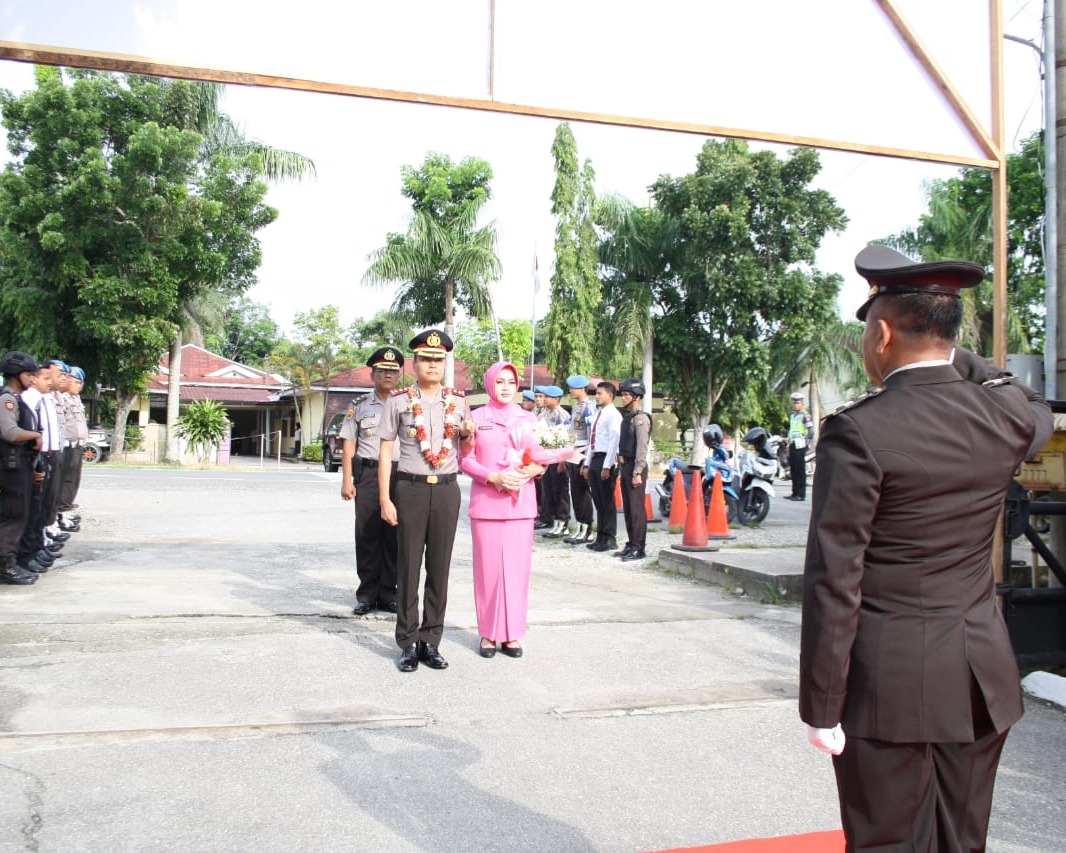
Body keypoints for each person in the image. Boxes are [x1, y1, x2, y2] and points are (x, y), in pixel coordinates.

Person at [799, 244, 1053, 852]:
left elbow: (836, 579)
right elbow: (1030, 402)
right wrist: (947, 349)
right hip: (979, 681)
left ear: (881, 333)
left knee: (888, 842)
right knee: (963, 842)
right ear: (946, 332)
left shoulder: (858, 430)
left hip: (890, 689)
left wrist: (822, 705)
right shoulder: (1006, 417)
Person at [378, 330, 471, 673]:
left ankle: (431, 640)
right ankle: (406, 641)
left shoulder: (459, 402)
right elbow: (386, 448)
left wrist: (468, 435)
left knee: (439, 567)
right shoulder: (399, 401)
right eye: (426, 359)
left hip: (446, 489)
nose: (433, 365)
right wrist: (386, 498)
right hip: (411, 488)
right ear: (414, 364)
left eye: (438, 360)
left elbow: (469, 447)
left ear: (445, 363)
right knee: (408, 565)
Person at [458, 361, 545, 659]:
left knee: (517, 572)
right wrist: (493, 477)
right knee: (489, 572)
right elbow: (465, 460)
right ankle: (488, 633)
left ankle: (512, 634)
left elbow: (541, 459)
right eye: (500, 382)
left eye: (511, 382)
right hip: (488, 505)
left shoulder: (529, 419)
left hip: (520, 506)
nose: (506, 387)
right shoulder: (475, 418)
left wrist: (529, 471)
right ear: (489, 384)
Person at [340, 345, 403, 616]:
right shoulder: (359, 406)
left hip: (399, 475)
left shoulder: (407, 403)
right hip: (367, 474)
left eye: (392, 371)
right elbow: (348, 443)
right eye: (382, 371)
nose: (387, 375)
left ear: (399, 374)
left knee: (394, 536)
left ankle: (388, 593)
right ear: (372, 374)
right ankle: (366, 594)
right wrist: (346, 479)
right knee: (366, 534)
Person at [0, 352, 44, 586]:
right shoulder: (7, 399)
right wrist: (35, 435)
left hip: (21, 465)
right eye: (28, 374)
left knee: (21, 513)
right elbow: (9, 432)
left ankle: (11, 560)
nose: (32, 378)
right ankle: (5, 564)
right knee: (14, 515)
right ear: (17, 374)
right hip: (11, 466)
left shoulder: (16, 398)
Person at [616, 378, 651, 561]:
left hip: (636, 467)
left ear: (636, 397)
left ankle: (639, 547)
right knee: (628, 508)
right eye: (622, 394)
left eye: (626, 395)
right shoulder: (627, 417)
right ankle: (631, 544)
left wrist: (637, 472)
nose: (623, 398)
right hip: (626, 465)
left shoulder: (640, 419)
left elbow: (642, 448)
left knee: (637, 509)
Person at [584, 381, 621, 553]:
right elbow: (593, 441)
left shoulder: (613, 414)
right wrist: (587, 463)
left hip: (606, 459)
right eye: (596, 393)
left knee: (607, 501)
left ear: (610, 395)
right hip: (596, 458)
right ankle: (601, 537)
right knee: (598, 501)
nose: (596, 396)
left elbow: (614, 441)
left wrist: (607, 465)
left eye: (600, 393)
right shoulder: (600, 414)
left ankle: (610, 538)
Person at [562, 375, 596, 545]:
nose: (570, 391)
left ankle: (587, 528)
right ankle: (580, 526)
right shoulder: (576, 407)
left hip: (583, 453)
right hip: (573, 453)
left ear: (582, 389)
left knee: (583, 493)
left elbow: (591, 436)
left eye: (573, 388)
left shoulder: (589, 408)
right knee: (575, 491)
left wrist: (588, 460)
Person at [536, 384, 571, 538]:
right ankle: (555, 522)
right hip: (548, 457)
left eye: (547, 397)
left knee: (560, 490)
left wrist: (563, 461)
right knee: (549, 491)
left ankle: (563, 523)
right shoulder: (546, 413)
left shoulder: (561, 415)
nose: (544, 399)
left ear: (556, 399)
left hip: (558, 458)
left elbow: (565, 439)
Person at [57, 366, 88, 524]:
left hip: (78, 445)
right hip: (67, 445)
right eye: (75, 382)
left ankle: (67, 506)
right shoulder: (62, 398)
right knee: (66, 479)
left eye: (80, 383)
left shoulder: (76, 399)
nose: (78, 385)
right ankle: (61, 511)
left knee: (74, 479)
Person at [786, 391, 814, 501]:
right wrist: (788, 445)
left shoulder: (805, 415)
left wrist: (806, 442)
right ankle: (794, 493)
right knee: (793, 469)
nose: (796, 404)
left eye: (798, 402)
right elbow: (791, 431)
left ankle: (801, 494)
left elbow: (811, 431)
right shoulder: (793, 415)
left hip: (800, 445)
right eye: (794, 402)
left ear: (802, 403)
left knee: (800, 469)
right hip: (793, 444)